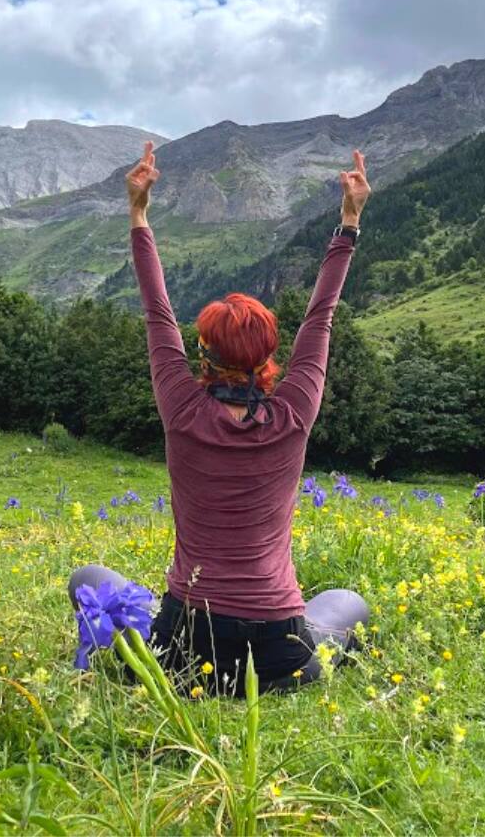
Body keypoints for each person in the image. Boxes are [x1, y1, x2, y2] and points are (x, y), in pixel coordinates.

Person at [68, 141, 372, 695]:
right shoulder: (295, 410)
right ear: (270, 356)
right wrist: (348, 221)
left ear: (202, 353)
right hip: (279, 655)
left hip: (184, 647)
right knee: (345, 603)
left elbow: (157, 310)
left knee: (87, 578)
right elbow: (320, 318)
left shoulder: (181, 406)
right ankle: (312, 667)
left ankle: (106, 659)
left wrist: (138, 214)